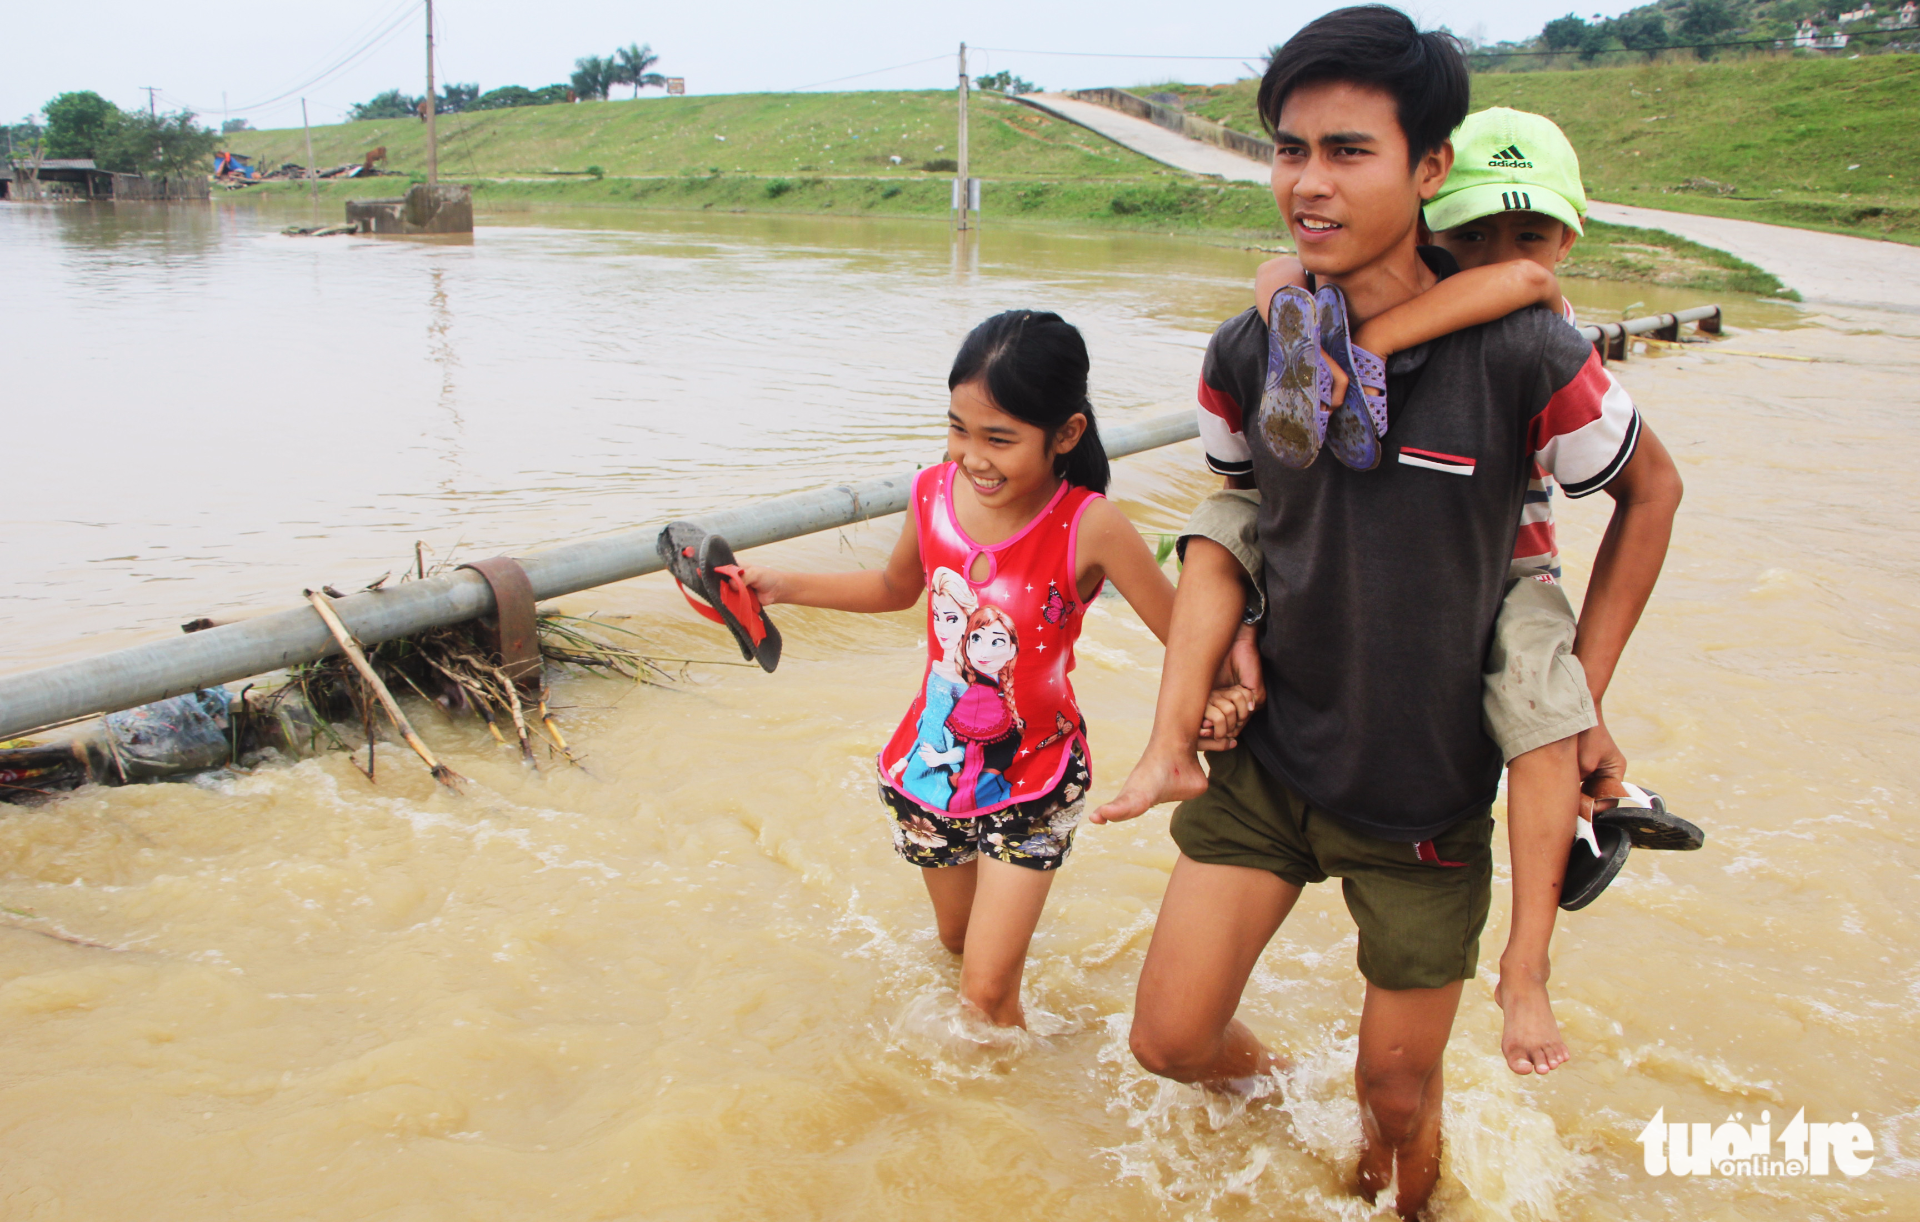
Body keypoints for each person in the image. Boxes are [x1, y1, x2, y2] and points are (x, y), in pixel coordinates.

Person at [1092, 10, 1683, 1217]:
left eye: (1348, 150)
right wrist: (1230, 656)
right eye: (1289, 148)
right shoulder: (1254, 350)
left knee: (1401, 1116)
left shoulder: (1525, 351)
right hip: (1270, 760)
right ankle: (1290, 1102)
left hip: (1424, 790)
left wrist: (1581, 696)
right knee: (1169, 1039)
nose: (1308, 181)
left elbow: (1650, 489)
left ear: (1428, 170)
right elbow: (1234, 513)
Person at [741, 310, 1234, 1030]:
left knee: (986, 995)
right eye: (959, 430)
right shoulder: (931, 492)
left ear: (1065, 434)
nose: (973, 456)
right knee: (955, 944)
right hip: (929, 772)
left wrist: (1220, 698)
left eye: (1000, 439)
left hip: (1034, 775)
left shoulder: (1088, 524)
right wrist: (782, 585)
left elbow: (1183, 633)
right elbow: (893, 589)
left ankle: (1008, 1118)